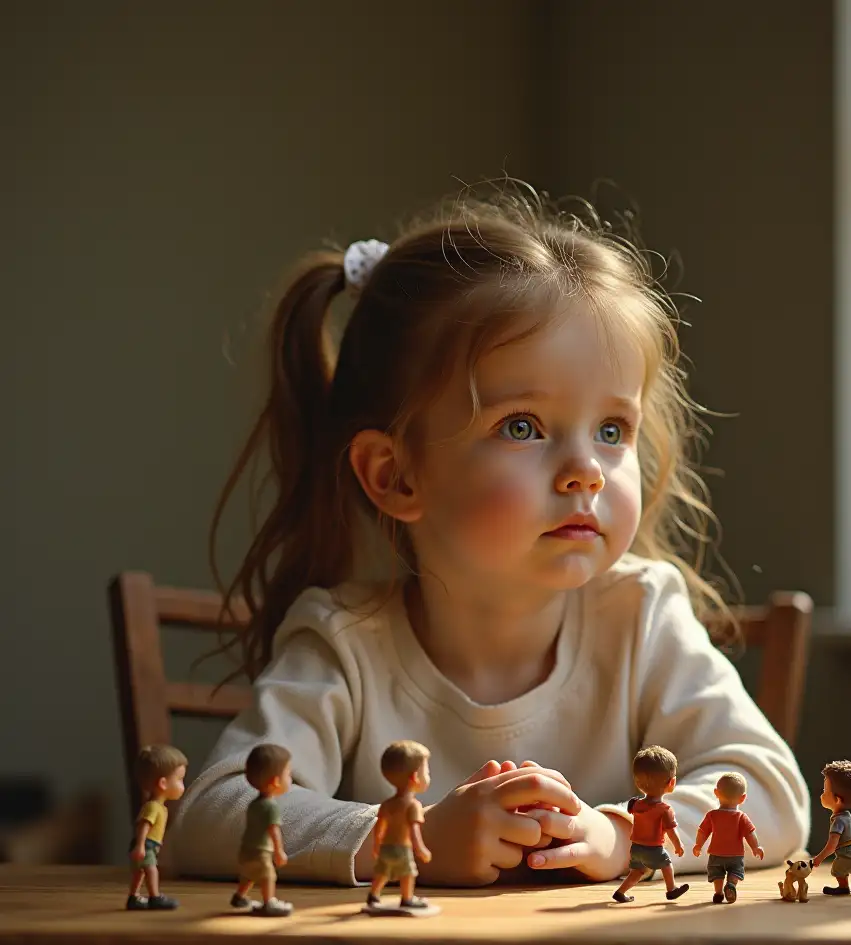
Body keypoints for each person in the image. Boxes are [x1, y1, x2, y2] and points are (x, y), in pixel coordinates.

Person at [168, 179, 810, 890]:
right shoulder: (344, 641)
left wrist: (624, 832)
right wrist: (407, 835)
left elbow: (772, 789)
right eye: (522, 427)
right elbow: (212, 812)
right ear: (395, 476)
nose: (586, 473)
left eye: (611, 430)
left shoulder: (642, 616)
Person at [364, 740, 435, 915]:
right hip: (402, 849)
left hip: (386, 848)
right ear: (414, 777)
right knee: (408, 873)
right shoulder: (413, 805)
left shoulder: (387, 804)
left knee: (382, 872)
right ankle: (407, 898)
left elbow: (379, 826)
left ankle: (373, 894)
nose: (428, 775)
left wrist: (376, 845)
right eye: (426, 771)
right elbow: (413, 831)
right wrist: (421, 849)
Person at [612, 746, 688, 903]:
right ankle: (671, 889)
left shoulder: (635, 804)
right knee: (667, 865)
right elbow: (671, 830)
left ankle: (620, 892)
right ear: (671, 783)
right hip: (653, 848)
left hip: (636, 848)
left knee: (637, 872)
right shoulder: (664, 809)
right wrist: (678, 845)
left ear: (638, 783)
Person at [231, 743, 294, 915]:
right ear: (275, 781)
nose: (291, 779)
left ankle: (239, 896)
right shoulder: (270, 807)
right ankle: (269, 903)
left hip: (246, 849)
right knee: (268, 876)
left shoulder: (254, 804)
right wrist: (279, 851)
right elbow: (273, 830)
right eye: (288, 774)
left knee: (249, 875)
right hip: (261, 851)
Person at [128, 744, 188, 909]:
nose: (182, 785)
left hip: (148, 846)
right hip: (145, 845)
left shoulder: (159, 807)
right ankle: (155, 897)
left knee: (140, 872)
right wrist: (140, 846)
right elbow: (143, 826)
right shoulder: (153, 807)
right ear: (163, 783)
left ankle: (133, 897)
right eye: (179, 779)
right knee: (151, 870)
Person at [692, 771, 764, 903]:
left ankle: (718, 892)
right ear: (743, 798)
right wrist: (756, 847)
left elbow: (702, 831)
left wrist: (698, 845)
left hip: (716, 853)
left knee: (717, 873)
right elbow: (750, 833)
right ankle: (731, 884)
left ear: (716, 793)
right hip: (735, 855)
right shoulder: (741, 817)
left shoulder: (712, 815)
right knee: (735, 872)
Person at [811, 760, 851, 895]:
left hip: (849, 850)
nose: (821, 795)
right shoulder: (846, 815)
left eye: (825, 791)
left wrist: (818, 859)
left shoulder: (838, 821)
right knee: (850, 863)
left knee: (838, 868)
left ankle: (843, 887)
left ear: (837, 800)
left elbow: (831, 846)